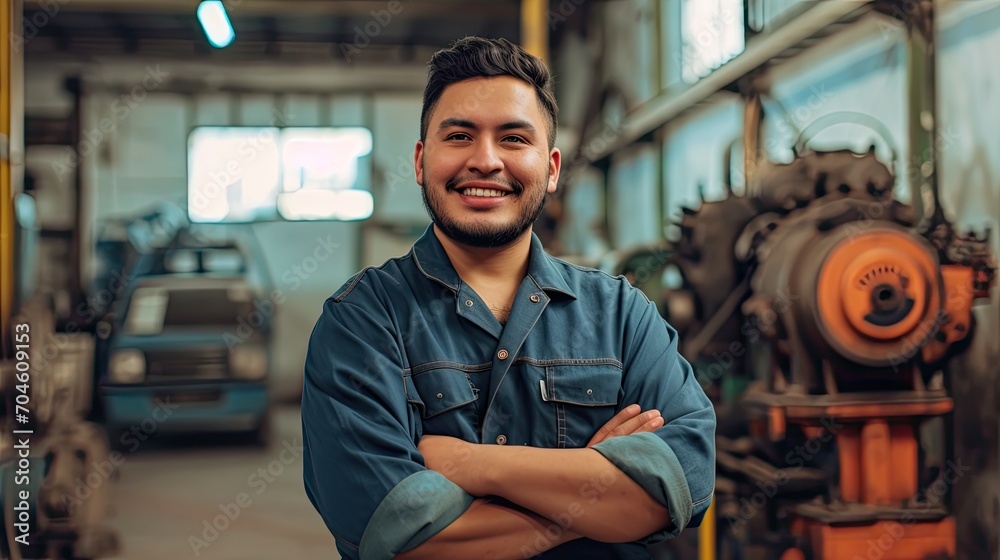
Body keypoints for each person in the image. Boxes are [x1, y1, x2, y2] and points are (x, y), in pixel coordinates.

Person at [302, 36, 715, 560]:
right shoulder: (361, 322)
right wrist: (587, 497)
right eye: (459, 135)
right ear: (421, 160)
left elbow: (680, 486)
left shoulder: (622, 315)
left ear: (552, 167)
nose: (486, 160)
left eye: (514, 138)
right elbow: (396, 536)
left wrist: (472, 465)